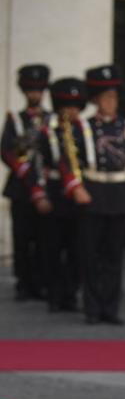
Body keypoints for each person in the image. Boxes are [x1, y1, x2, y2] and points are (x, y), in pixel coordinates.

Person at [67, 64, 125, 325]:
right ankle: (91, 308)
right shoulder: (83, 126)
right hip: (93, 193)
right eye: (105, 98)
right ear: (96, 100)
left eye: (113, 97)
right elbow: (68, 161)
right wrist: (75, 187)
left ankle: (110, 309)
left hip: (120, 194)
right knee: (91, 255)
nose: (110, 103)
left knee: (114, 257)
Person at [36, 77, 84, 313]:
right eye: (66, 107)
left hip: (78, 196)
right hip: (55, 191)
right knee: (52, 247)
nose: (71, 111)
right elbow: (37, 166)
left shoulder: (85, 131)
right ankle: (54, 294)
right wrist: (39, 195)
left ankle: (71, 293)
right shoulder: (48, 133)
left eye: (75, 106)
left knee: (77, 248)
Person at [2, 63, 50, 301]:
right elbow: (6, 151)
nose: (35, 95)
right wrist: (24, 170)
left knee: (43, 237)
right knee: (21, 237)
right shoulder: (15, 119)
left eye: (38, 90)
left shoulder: (50, 120)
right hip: (21, 188)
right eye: (31, 90)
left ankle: (41, 281)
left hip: (44, 187)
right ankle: (23, 283)